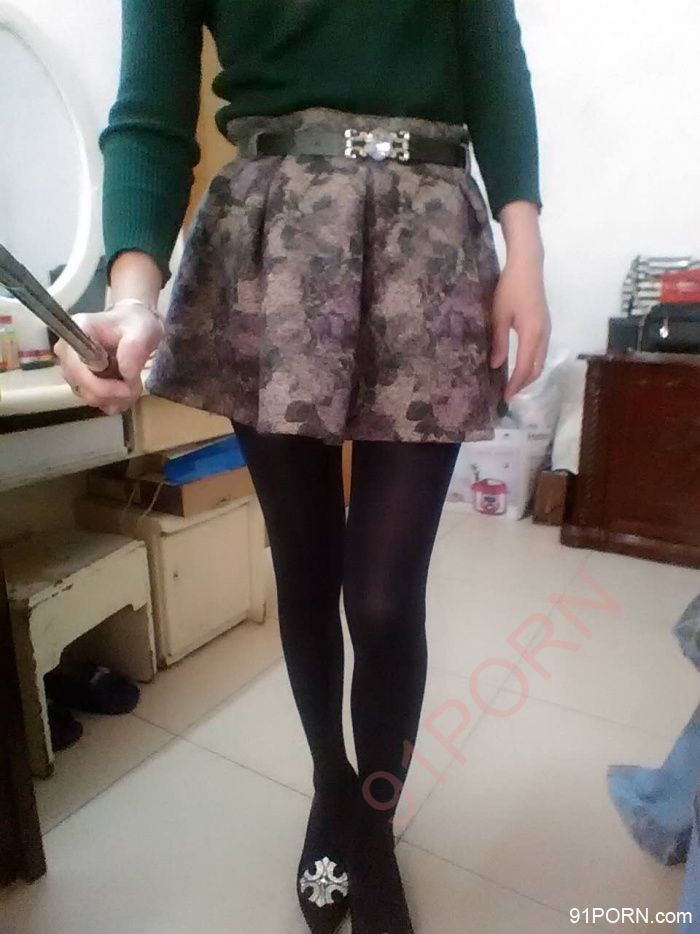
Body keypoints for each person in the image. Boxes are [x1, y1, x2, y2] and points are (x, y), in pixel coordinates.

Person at [55, 2, 550, 931]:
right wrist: (132, 294)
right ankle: (333, 784)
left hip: (431, 234)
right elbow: (150, 114)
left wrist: (526, 249)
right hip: (270, 239)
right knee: (306, 570)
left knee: (386, 599)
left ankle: (375, 818)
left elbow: (495, 61)